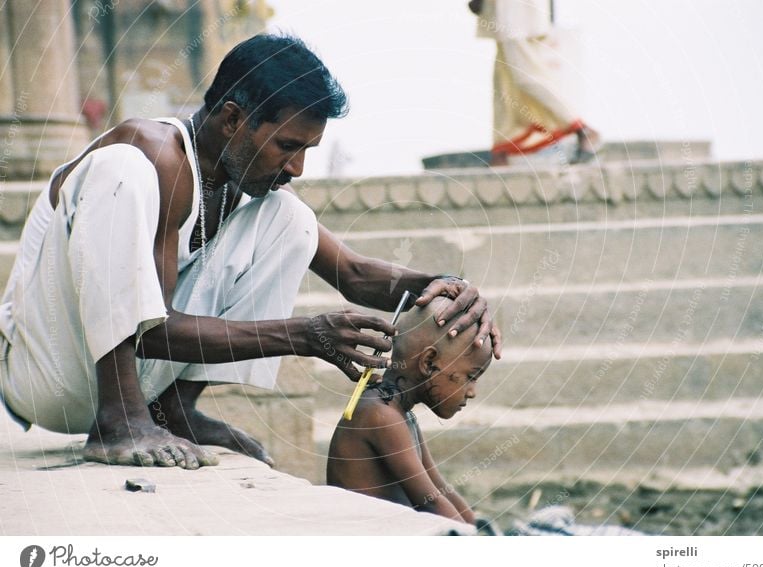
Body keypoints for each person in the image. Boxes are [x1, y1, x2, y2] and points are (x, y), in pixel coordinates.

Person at [0, 34, 501, 470]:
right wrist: (303, 335)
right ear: (233, 120)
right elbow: (149, 332)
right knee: (122, 169)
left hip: (135, 379)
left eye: (307, 149)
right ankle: (120, 420)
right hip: (46, 375)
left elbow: (353, 274)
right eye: (288, 145)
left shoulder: (247, 187)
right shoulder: (149, 155)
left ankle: (170, 410)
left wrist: (450, 288)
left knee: (292, 220)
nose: (299, 167)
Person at [327, 297, 492, 524]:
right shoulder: (381, 416)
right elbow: (430, 502)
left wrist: (474, 527)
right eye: (470, 377)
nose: (472, 392)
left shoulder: (402, 415)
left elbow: (441, 488)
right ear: (428, 362)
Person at [468, 0, 601, 165]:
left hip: (517, 13)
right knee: (504, 79)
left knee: (525, 76)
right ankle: (501, 150)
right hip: (506, 11)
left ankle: (581, 128)